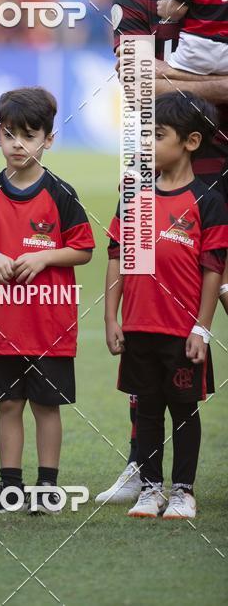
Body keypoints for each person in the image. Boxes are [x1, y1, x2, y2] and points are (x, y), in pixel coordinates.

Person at [99, 0, 228, 505]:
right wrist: (216, 86)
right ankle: (141, 464)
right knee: (150, 323)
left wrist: (171, 79)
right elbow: (135, 87)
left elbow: (156, 80)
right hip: (155, 180)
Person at [0, 87, 94, 513]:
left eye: (29, 135)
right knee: (8, 404)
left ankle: (47, 487)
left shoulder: (61, 194)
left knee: (47, 406)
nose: (18, 144)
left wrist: (45, 256)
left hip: (50, 326)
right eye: (9, 134)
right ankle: (10, 487)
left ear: (48, 140)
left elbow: (84, 249)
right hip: (4, 328)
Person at [105, 93, 228, 520]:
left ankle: (183, 492)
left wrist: (201, 328)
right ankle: (150, 488)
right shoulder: (134, 195)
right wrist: (111, 317)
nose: (147, 144)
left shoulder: (208, 202)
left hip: (182, 332)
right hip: (138, 326)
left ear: (191, 142)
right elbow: (117, 257)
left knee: (183, 410)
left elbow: (213, 269)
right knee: (147, 410)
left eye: (157, 136)